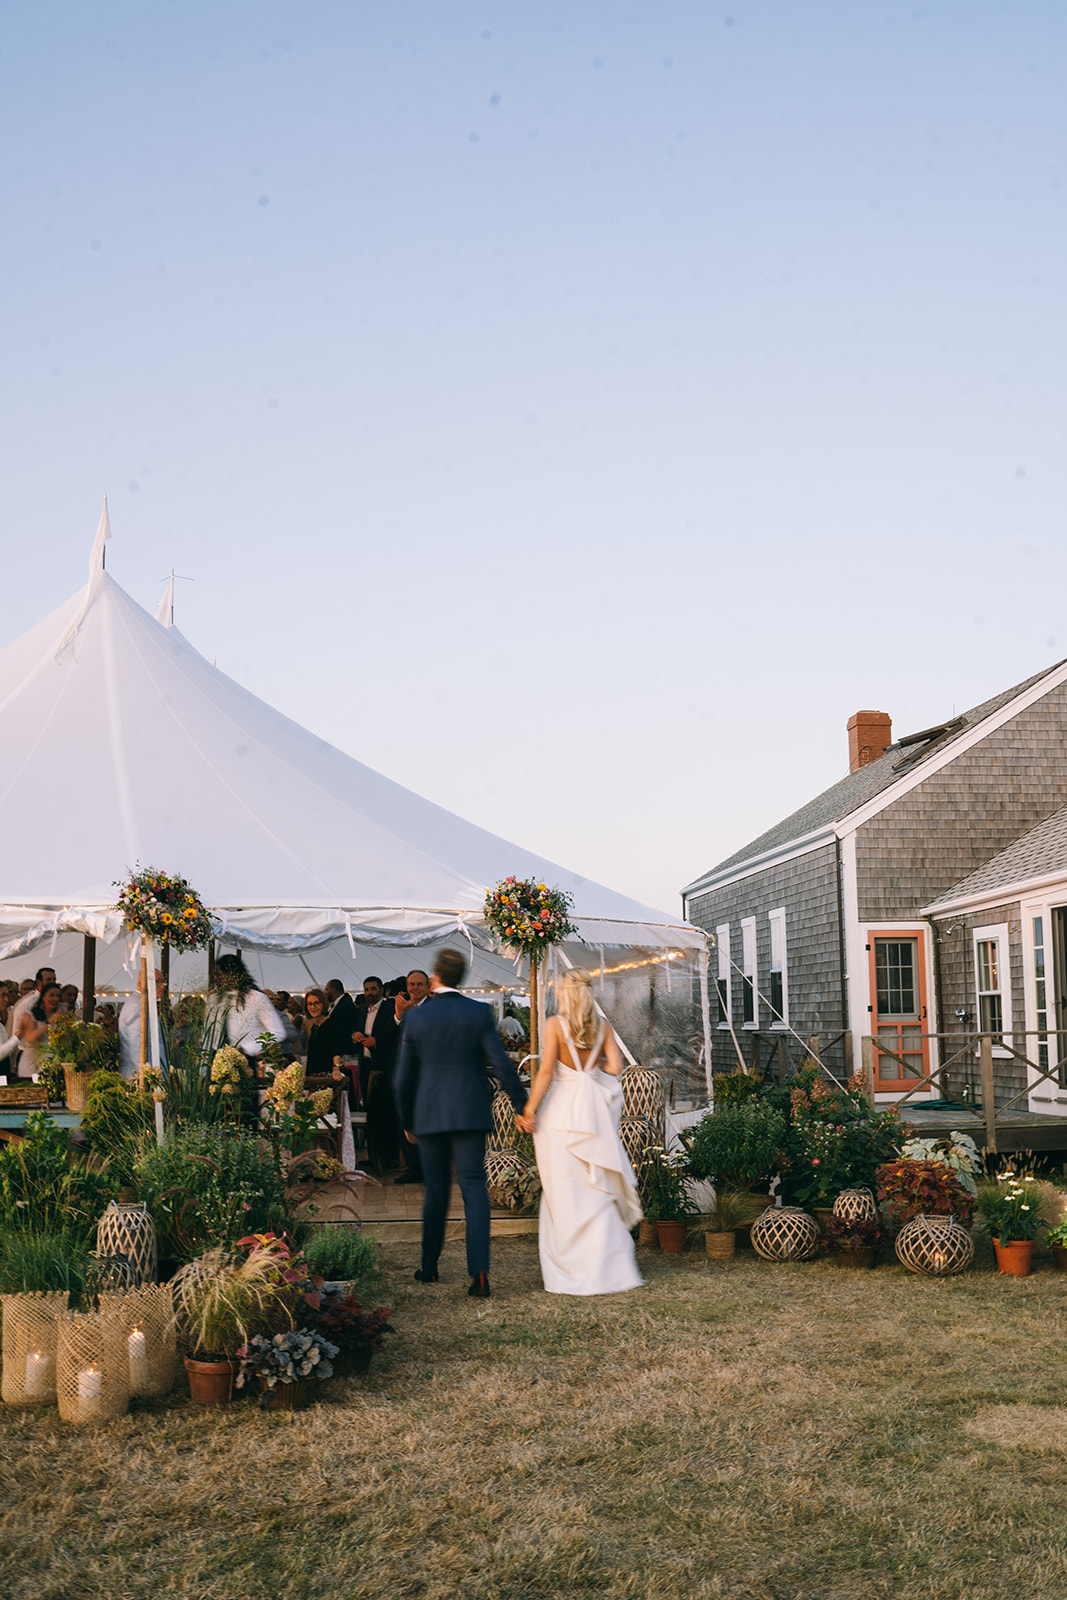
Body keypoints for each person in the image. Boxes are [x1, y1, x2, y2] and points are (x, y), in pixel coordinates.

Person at [395, 948, 526, 1298]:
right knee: (473, 1188)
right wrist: (521, 1103)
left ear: (435, 978)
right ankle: (479, 1274)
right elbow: (501, 1064)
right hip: (469, 1111)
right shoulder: (478, 1012)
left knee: (436, 1193)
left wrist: (407, 1119)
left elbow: (403, 1078)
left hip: (429, 1115)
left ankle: (430, 1268)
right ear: (461, 977)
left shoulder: (416, 1018)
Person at [515, 967, 643, 1296]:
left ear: (566, 992)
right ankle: (608, 1270)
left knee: (564, 1194)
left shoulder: (555, 1025)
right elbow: (616, 1068)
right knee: (595, 1190)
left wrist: (528, 1110)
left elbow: (544, 1073)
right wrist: (591, 1069)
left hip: (560, 1118)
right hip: (594, 1118)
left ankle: (571, 1268)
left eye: (559, 988)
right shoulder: (603, 1027)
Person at [206, 954, 287, 1063]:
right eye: (215, 975)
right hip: (214, 1060)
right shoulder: (214, 1000)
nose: (216, 979)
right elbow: (208, 1036)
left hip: (245, 1061)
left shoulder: (257, 998)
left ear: (232, 974)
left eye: (219, 974)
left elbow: (277, 1032)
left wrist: (247, 1049)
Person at [391, 970, 431, 1184]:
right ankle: (415, 1167)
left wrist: (411, 1011)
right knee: (406, 1122)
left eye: (419, 984)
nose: (414, 988)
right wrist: (399, 1015)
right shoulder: (404, 1007)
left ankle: (424, 1170)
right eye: (411, 984)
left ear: (427, 987)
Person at [118, 969, 167, 1079]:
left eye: (163, 982)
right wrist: (151, 1079)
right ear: (144, 982)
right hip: (138, 1080)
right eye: (157, 981)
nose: (162, 986)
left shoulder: (142, 1004)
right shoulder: (137, 1007)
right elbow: (136, 1050)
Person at [16, 981, 64, 1078]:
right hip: (33, 1063)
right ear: (43, 997)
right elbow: (30, 1039)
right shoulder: (31, 1014)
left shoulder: (61, 1015)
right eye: (51, 995)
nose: (55, 999)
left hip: (52, 1063)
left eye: (58, 996)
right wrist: (49, 1023)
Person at [302, 988, 335, 1074]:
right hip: (312, 1075)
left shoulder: (330, 1024)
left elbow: (336, 1050)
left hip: (324, 1076)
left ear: (323, 1004)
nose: (313, 1007)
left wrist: (336, 1068)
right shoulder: (314, 1026)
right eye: (309, 1004)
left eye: (316, 1003)